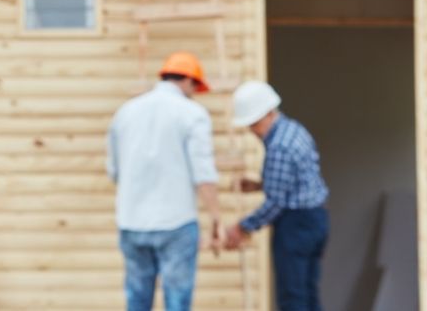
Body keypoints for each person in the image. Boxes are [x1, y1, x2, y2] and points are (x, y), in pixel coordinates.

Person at [106, 52, 222, 311]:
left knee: (137, 300)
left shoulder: (125, 112)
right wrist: (216, 218)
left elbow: (114, 172)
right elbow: (203, 175)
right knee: (177, 301)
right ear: (190, 82)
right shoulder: (193, 114)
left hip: (132, 222)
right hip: (176, 223)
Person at [224, 81, 329, 311]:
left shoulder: (279, 146)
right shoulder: (294, 130)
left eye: (254, 123)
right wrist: (257, 185)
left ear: (269, 113)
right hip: (315, 219)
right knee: (308, 294)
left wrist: (243, 227)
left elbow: (277, 202)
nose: (252, 130)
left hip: (296, 225)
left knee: (292, 298)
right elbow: (295, 182)